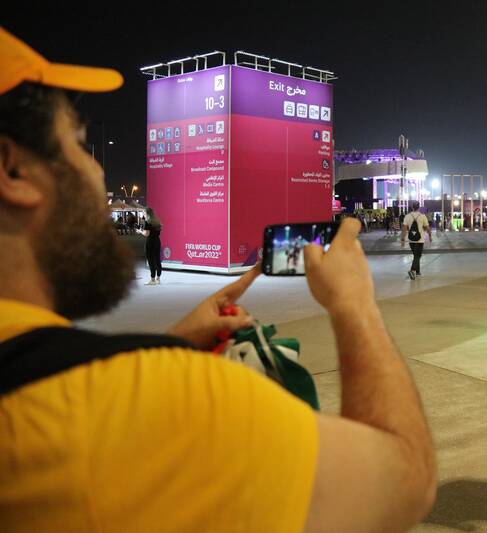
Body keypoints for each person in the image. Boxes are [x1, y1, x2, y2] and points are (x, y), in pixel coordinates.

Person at [0, 29, 436, 533]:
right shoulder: (149, 404)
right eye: (77, 144)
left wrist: (162, 349)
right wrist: (355, 307)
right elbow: (404, 479)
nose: (96, 173)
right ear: (13, 170)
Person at [400, 201, 432, 280]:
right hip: (420, 240)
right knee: (418, 256)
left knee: (416, 255)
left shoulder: (407, 216)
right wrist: (430, 236)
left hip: (411, 240)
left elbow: (404, 228)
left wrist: (402, 239)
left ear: (412, 207)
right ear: (419, 207)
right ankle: (412, 270)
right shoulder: (422, 216)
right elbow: (427, 227)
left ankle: (417, 272)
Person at [137, 206, 162, 285]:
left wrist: (140, 231)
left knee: (151, 261)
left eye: (144, 213)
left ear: (147, 213)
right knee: (157, 259)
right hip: (157, 241)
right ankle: (158, 278)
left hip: (150, 242)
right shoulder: (157, 221)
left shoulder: (147, 222)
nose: (143, 214)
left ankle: (152, 280)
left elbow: (146, 234)